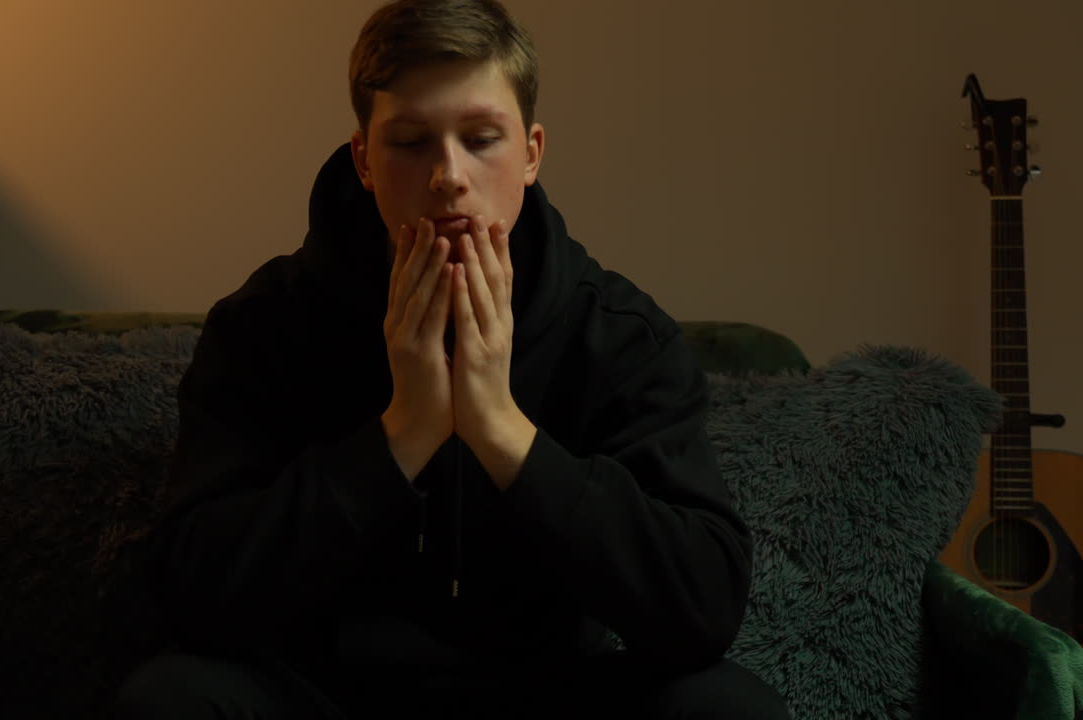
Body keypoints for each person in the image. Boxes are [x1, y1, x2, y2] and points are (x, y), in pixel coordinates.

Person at [113, 0, 789, 718]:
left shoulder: (618, 334)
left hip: (550, 693)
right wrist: (402, 434)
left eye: (481, 139)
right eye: (411, 142)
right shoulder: (264, 325)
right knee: (171, 699)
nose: (448, 175)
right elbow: (189, 594)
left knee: (729, 707)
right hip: (324, 694)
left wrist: (502, 431)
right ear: (364, 160)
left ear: (530, 154)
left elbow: (705, 608)